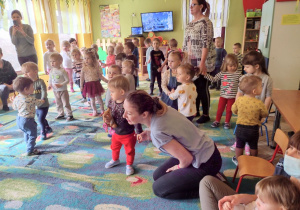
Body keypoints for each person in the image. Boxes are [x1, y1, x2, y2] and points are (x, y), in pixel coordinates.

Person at [123, 90, 222, 199]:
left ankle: (212, 186)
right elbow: (170, 130)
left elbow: (186, 159)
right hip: (204, 151)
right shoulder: (160, 108)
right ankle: (204, 179)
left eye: (129, 113)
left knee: (159, 189)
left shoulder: (157, 130)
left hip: (206, 163)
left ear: (144, 114)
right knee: (158, 176)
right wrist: (150, 134)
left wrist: (178, 167)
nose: (124, 115)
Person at [200, 131, 300, 210]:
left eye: (299, 153)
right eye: (291, 148)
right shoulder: (283, 166)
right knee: (207, 182)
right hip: (259, 206)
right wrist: (245, 197)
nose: (289, 154)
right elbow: (268, 198)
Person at [231, 51, 273, 152]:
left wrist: (263, 115)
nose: (244, 69)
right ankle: (240, 143)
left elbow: (268, 97)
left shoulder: (267, 79)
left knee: (252, 133)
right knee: (241, 130)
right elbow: (239, 94)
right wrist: (238, 106)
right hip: (244, 112)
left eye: (247, 67)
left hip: (257, 113)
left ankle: (248, 145)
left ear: (257, 66)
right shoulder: (244, 78)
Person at [183, 0, 216, 124]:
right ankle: (195, 110)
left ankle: (206, 114)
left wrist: (202, 63)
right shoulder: (190, 23)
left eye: (194, 4)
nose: (190, 7)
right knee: (194, 87)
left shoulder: (206, 22)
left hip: (203, 61)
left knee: (202, 88)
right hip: (191, 61)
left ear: (201, 6)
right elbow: (186, 43)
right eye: (190, 5)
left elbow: (206, 43)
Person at [104, 76, 139, 176]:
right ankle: (115, 159)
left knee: (129, 150)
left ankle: (129, 165)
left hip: (128, 133)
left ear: (122, 92)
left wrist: (139, 131)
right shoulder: (111, 101)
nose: (110, 94)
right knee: (114, 147)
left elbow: (136, 119)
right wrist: (108, 118)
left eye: (112, 91)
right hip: (116, 132)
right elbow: (110, 111)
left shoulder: (128, 104)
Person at [231, 75, 268, 165]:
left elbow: (234, 110)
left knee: (239, 145)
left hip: (240, 128)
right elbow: (265, 114)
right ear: (254, 91)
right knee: (253, 145)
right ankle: (253, 160)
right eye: (261, 86)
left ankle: (238, 159)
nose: (262, 88)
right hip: (253, 129)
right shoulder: (259, 103)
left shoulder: (239, 100)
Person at [204, 54, 241, 129]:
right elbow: (214, 79)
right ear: (226, 65)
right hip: (223, 96)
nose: (233, 67)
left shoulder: (238, 74)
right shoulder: (222, 73)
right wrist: (205, 74)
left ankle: (227, 122)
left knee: (229, 110)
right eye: (230, 66)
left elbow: (242, 84)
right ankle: (217, 121)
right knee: (220, 109)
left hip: (232, 97)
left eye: (234, 65)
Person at [12, 77, 45, 155]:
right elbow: (39, 102)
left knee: (26, 132)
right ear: (26, 89)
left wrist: (13, 101)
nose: (33, 88)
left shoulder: (17, 97)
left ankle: (28, 144)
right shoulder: (30, 99)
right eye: (32, 87)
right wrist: (43, 100)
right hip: (28, 120)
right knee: (33, 134)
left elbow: (14, 107)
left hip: (19, 119)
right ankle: (30, 150)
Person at [22, 62, 52, 140]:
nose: (26, 74)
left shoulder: (40, 82)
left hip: (43, 105)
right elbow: (25, 92)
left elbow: (44, 91)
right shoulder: (28, 84)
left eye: (27, 72)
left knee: (40, 119)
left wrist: (42, 99)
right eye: (24, 73)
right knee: (41, 118)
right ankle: (47, 127)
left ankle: (43, 132)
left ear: (35, 72)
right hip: (35, 106)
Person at [80, 49, 108, 116]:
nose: (86, 60)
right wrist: (81, 86)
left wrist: (107, 81)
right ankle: (94, 110)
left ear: (93, 59)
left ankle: (102, 110)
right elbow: (82, 78)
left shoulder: (96, 67)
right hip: (88, 85)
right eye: (85, 58)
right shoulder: (84, 68)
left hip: (96, 84)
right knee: (92, 100)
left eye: (88, 58)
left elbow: (100, 76)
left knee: (99, 98)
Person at [48, 53, 74, 121]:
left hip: (63, 90)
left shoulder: (62, 71)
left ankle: (69, 114)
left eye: (54, 61)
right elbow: (50, 79)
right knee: (58, 103)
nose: (52, 63)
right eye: (51, 61)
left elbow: (67, 80)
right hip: (55, 90)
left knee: (65, 103)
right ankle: (61, 114)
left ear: (60, 62)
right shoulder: (51, 71)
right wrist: (49, 85)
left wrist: (61, 84)